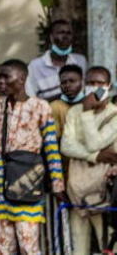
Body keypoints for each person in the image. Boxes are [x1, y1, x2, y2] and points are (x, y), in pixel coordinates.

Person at [0, 59, 65, 255]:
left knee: (28, 245)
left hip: (27, 179)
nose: (1, 82)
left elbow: (51, 147)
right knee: (3, 247)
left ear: (21, 79)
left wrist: (57, 183)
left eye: (6, 77)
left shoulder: (40, 107)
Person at [60, 66, 117, 254]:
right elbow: (66, 146)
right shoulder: (74, 111)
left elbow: (94, 142)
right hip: (77, 193)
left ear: (108, 86)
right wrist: (96, 156)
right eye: (90, 83)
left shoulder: (114, 115)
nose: (94, 87)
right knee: (78, 249)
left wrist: (87, 112)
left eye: (99, 83)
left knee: (108, 246)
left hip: (103, 194)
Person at [26, 20, 88, 101]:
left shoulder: (80, 61)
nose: (65, 36)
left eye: (69, 33)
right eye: (61, 33)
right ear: (51, 37)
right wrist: (60, 98)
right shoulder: (35, 66)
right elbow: (30, 98)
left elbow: (88, 89)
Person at [51, 64, 83, 136]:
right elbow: (55, 137)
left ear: (81, 82)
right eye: (63, 82)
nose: (67, 85)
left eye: (72, 81)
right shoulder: (55, 106)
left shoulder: (90, 103)